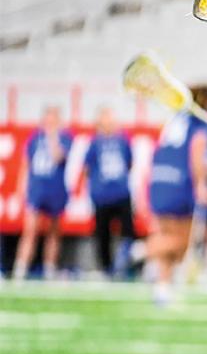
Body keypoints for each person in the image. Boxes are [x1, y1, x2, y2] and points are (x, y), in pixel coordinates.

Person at [147, 86, 207, 304]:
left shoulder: (175, 119)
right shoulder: (198, 123)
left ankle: (163, 288)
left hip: (160, 180)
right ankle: (139, 251)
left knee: (168, 235)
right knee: (180, 242)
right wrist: (201, 183)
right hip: (179, 182)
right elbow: (197, 152)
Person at [13, 106, 73, 281]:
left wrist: (52, 137)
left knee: (54, 232)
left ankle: (49, 268)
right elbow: (26, 163)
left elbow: (58, 157)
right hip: (37, 188)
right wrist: (21, 187)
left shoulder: (64, 138)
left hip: (55, 189)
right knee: (30, 230)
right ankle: (21, 268)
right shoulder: (34, 138)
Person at [83, 107, 135, 279]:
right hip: (102, 195)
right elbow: (87, 168)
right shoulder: (95, 143)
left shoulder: (122, 140)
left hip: (121, 193)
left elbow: (129, 163)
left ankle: (123, 265)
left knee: (128, 231)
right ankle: (105, 268)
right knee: (102, 233)